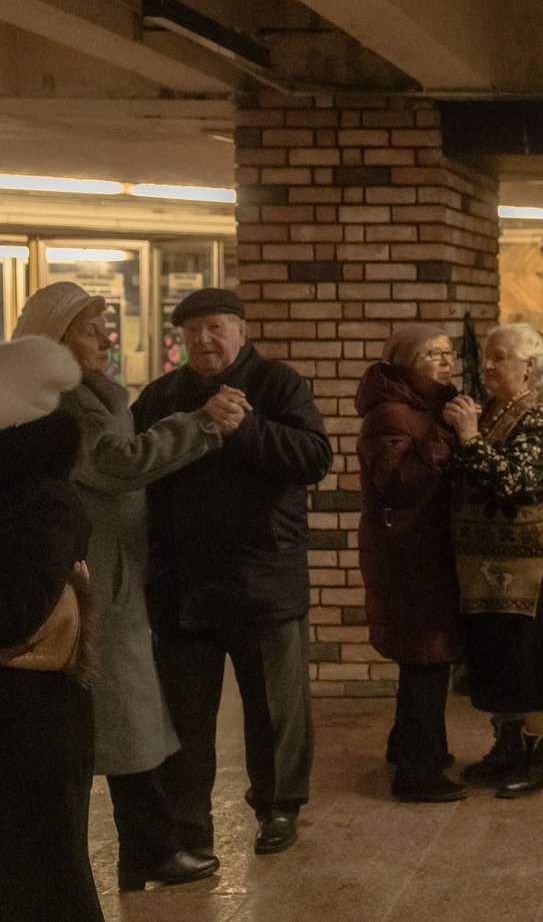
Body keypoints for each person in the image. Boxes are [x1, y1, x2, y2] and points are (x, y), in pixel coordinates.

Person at [15, 283, 234, 890]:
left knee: (123, 719)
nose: (108, 339)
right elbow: (116, 464)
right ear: (57, 338)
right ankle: (144, 850)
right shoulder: (64, 402)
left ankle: (147, 847)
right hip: (90, 583)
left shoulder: (76, 394)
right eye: (94, 329)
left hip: (108, 577)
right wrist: (201, 425)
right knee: (119, 719)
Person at [133, 288, 333, 856]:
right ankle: (187, 829)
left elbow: (314, 458)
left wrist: (244, 428)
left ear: (241, 331)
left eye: (215, 327)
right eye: (191, 331)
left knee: (273, 711)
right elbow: (134, 465)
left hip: (261, 578)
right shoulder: (160, 395)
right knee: (184, 721)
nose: (202, 340)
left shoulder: (277, 384)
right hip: (180, 585)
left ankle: (277, 809)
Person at [444, 322, 543, 798]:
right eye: (486, 356)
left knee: (531, 668)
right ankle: (506, 748)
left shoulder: (540, 415)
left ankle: (540, 758)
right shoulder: (492, 411)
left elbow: (514, 482)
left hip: (533, 572)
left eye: (499, 357)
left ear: (529, 365)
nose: (487, 366)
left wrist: (466, 437)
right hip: (488, 572)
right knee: (498, 664)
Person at [0, 336, 102, 922]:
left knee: (43, 883)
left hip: (25, 725)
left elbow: (16, 608)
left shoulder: (37, 498)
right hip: (22, 719)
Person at [356, 325, 469, 801]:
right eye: (432, 354)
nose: (445, 362)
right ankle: (418, 775)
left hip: (423, 552)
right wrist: (447, 438)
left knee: (424, 659)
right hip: (409, 557)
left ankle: (411, 748)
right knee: (426, 658)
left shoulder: (424, 407)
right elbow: (396, 482)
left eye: (448, 353)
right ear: (406, 363)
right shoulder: (391, 414)